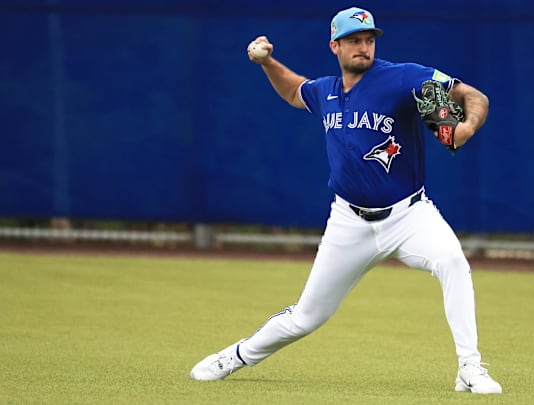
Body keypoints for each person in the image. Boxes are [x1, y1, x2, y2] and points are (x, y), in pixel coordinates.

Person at [190, 6, 502, 395]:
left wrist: (467, 125)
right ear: (335, 46)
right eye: (354, 40)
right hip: (348, 222)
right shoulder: (325, 91)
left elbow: (472, 94)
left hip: (410, 215)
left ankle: (470, 368)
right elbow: (293, 89)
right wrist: (267, 61)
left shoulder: (402, 77)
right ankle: (234, 356)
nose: (364, 46)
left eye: (369, 39)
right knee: (306, 317)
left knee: (453, 262)